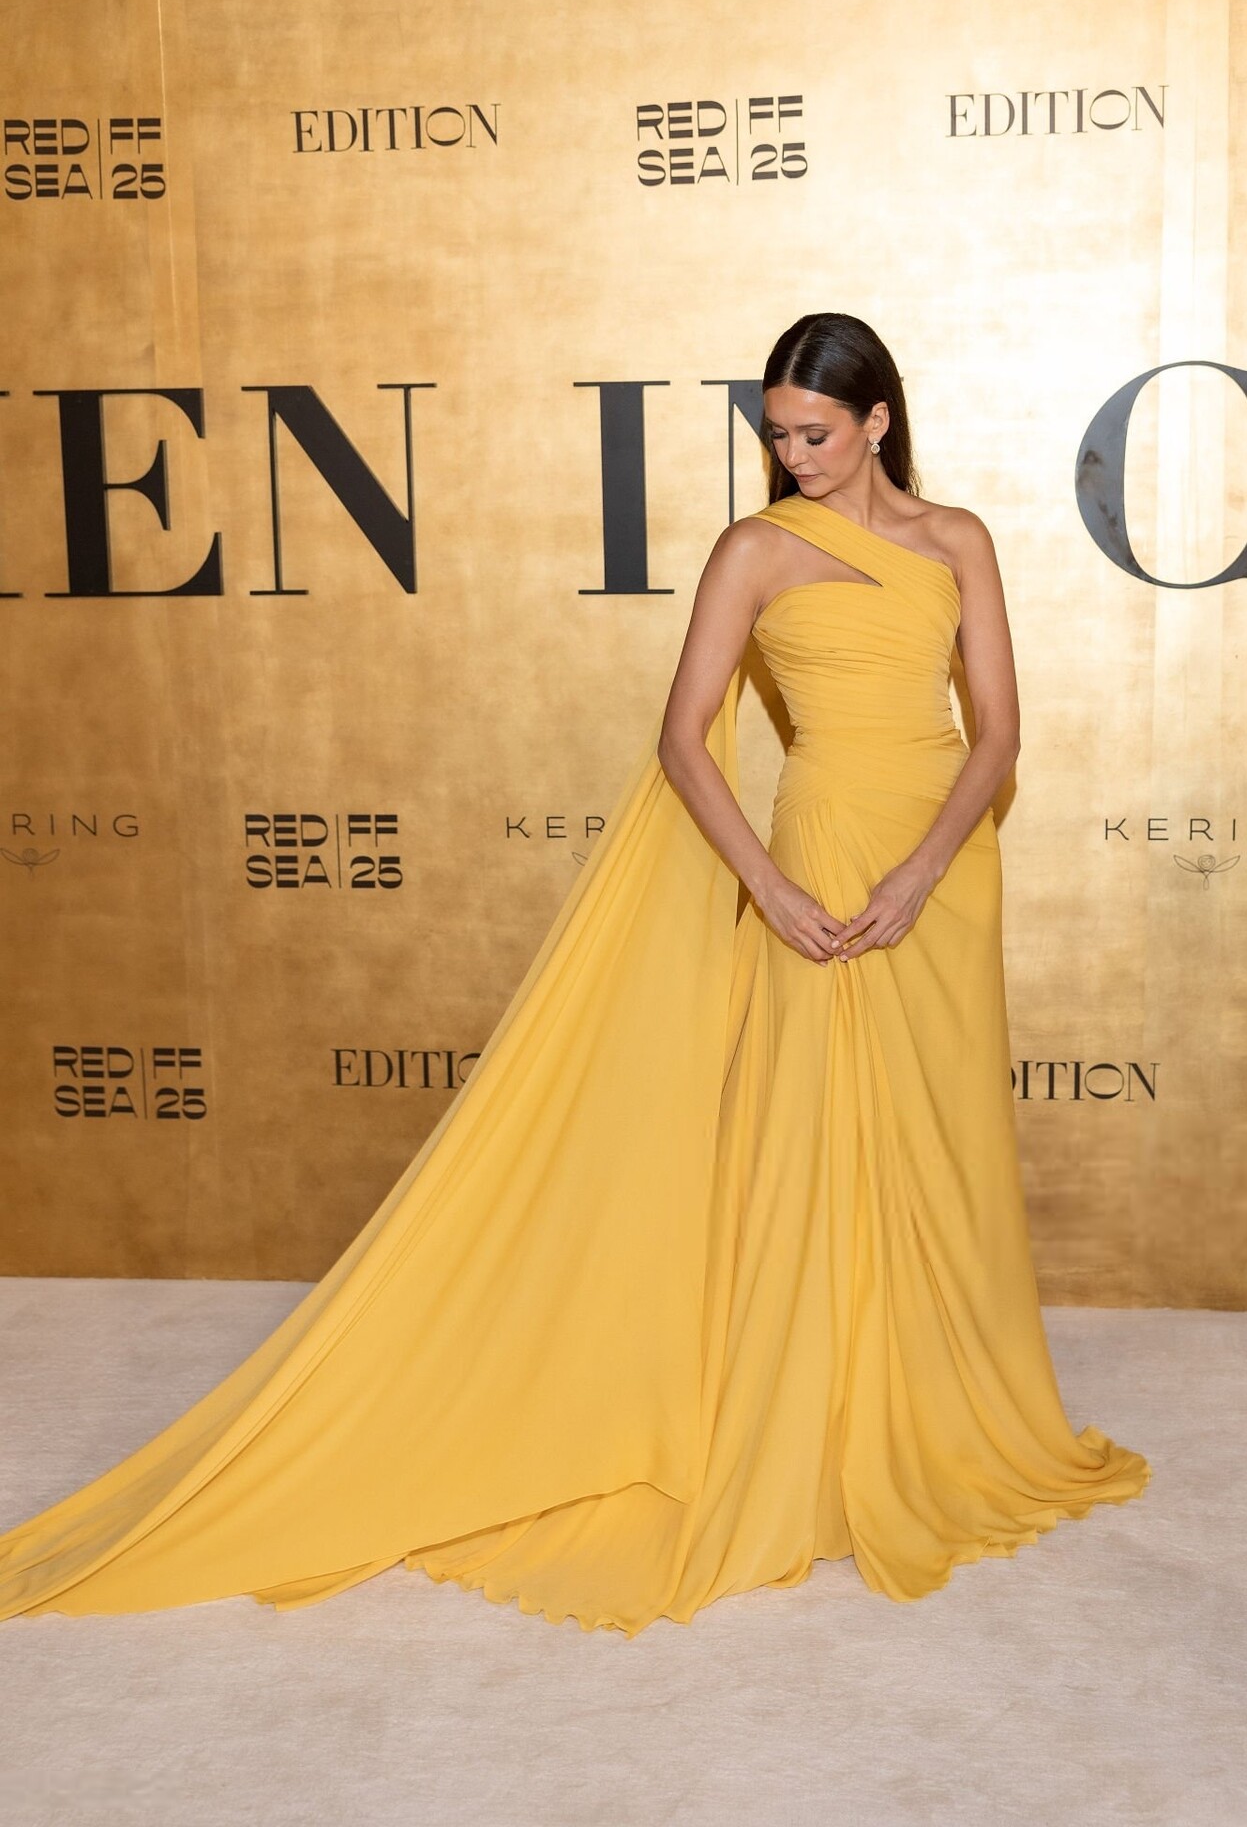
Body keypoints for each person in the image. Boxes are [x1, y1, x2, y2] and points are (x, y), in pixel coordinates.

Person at [0, 312, 1149, 1635]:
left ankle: (937, 1407)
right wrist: (771, 887)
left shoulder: (957, 540)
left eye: (817, 433)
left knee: (938, 1137)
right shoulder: (755, 550)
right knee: (809, 1133)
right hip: (822, 852)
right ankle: (810, 1420)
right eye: (778, 435)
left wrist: (925, 871)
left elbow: (996, 734)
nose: (795, 455)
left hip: (938, 866)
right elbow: (684, 740)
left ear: (878, 420)